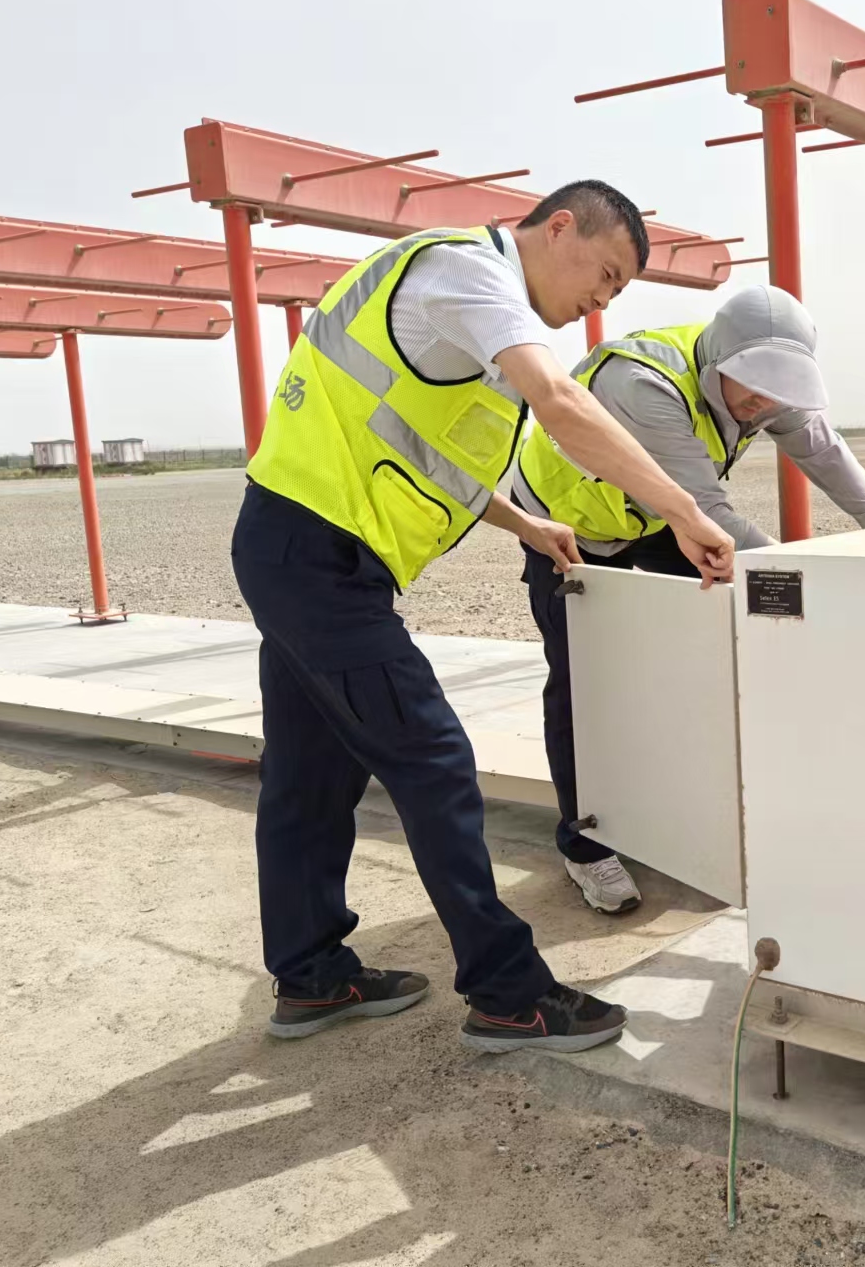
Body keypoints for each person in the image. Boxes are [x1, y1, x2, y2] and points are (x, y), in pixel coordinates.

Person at [230, 180, 735, 1055]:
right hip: (317, 558)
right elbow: (565, 406)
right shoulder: (466, 272)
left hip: (298, 547)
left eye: (616, 294)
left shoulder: (449, 294)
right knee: (434, 759)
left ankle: (312, 976)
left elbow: (422, 446)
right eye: (605, 274)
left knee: (311, 776)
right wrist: (686, 510)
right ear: (560, 226)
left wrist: (526, 522)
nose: (601, 303)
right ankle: (508, 993)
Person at [512, 285, 865, 913]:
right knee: (582, 686)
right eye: (753, 391)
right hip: (569, 523)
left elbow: (821, 448)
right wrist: (808, 575)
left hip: (657, 517)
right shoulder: (643, 384)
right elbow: (711, 517)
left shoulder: (765, 388)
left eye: (777, 392)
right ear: (718, 367)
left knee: (715, 647)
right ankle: (584, 845)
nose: (763, 405)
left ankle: (683, 814)